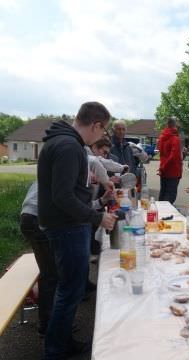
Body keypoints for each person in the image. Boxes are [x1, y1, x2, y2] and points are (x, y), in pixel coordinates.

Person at [37, 102, 117, 360]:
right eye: (103, 129)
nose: (102, 134)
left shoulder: (63, 141)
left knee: (69, 288)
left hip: (65, 225)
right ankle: (55, 351)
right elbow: (63, 197)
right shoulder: (69, 146)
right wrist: (97, 217)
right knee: (70, 290)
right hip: (66, 227)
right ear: (96, 125)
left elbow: (67, 192)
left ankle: (62, 342)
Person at [20, 182, 57, 337]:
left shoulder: (46, 171)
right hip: (38, 219)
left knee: (48, 272)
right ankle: (48, 326)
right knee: (50, 275)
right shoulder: (68, 169)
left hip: (27, 217)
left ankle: (51, 322)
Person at [156, 117, 182, 204]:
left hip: (163, 171)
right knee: (170, 195)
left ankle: (158, 213)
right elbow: (174, 156)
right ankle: (164, 215)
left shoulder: (162, 137)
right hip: (173, 171)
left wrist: (162, 168)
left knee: (163, 193)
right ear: (175, 124)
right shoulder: (175, 138)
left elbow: (162, 153)